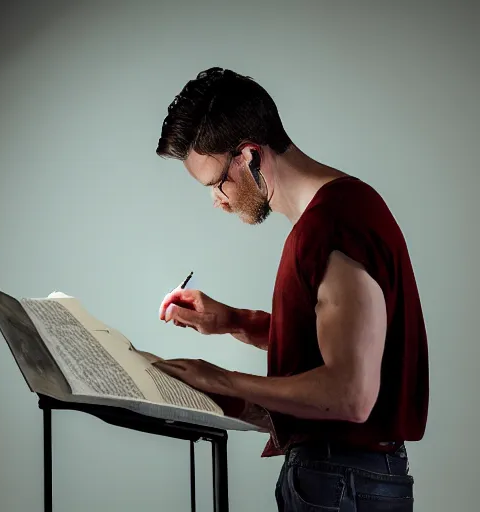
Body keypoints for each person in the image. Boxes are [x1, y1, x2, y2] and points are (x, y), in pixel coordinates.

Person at [153, 67, 429, 511]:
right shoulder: (343, 209)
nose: (218, 201)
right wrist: (232, 321)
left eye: (216, 183)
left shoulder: (331, 225)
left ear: (248, 155)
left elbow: (349, 394)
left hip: (340, 481)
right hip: (348, 479)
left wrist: (221, 379)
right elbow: (333, 341)